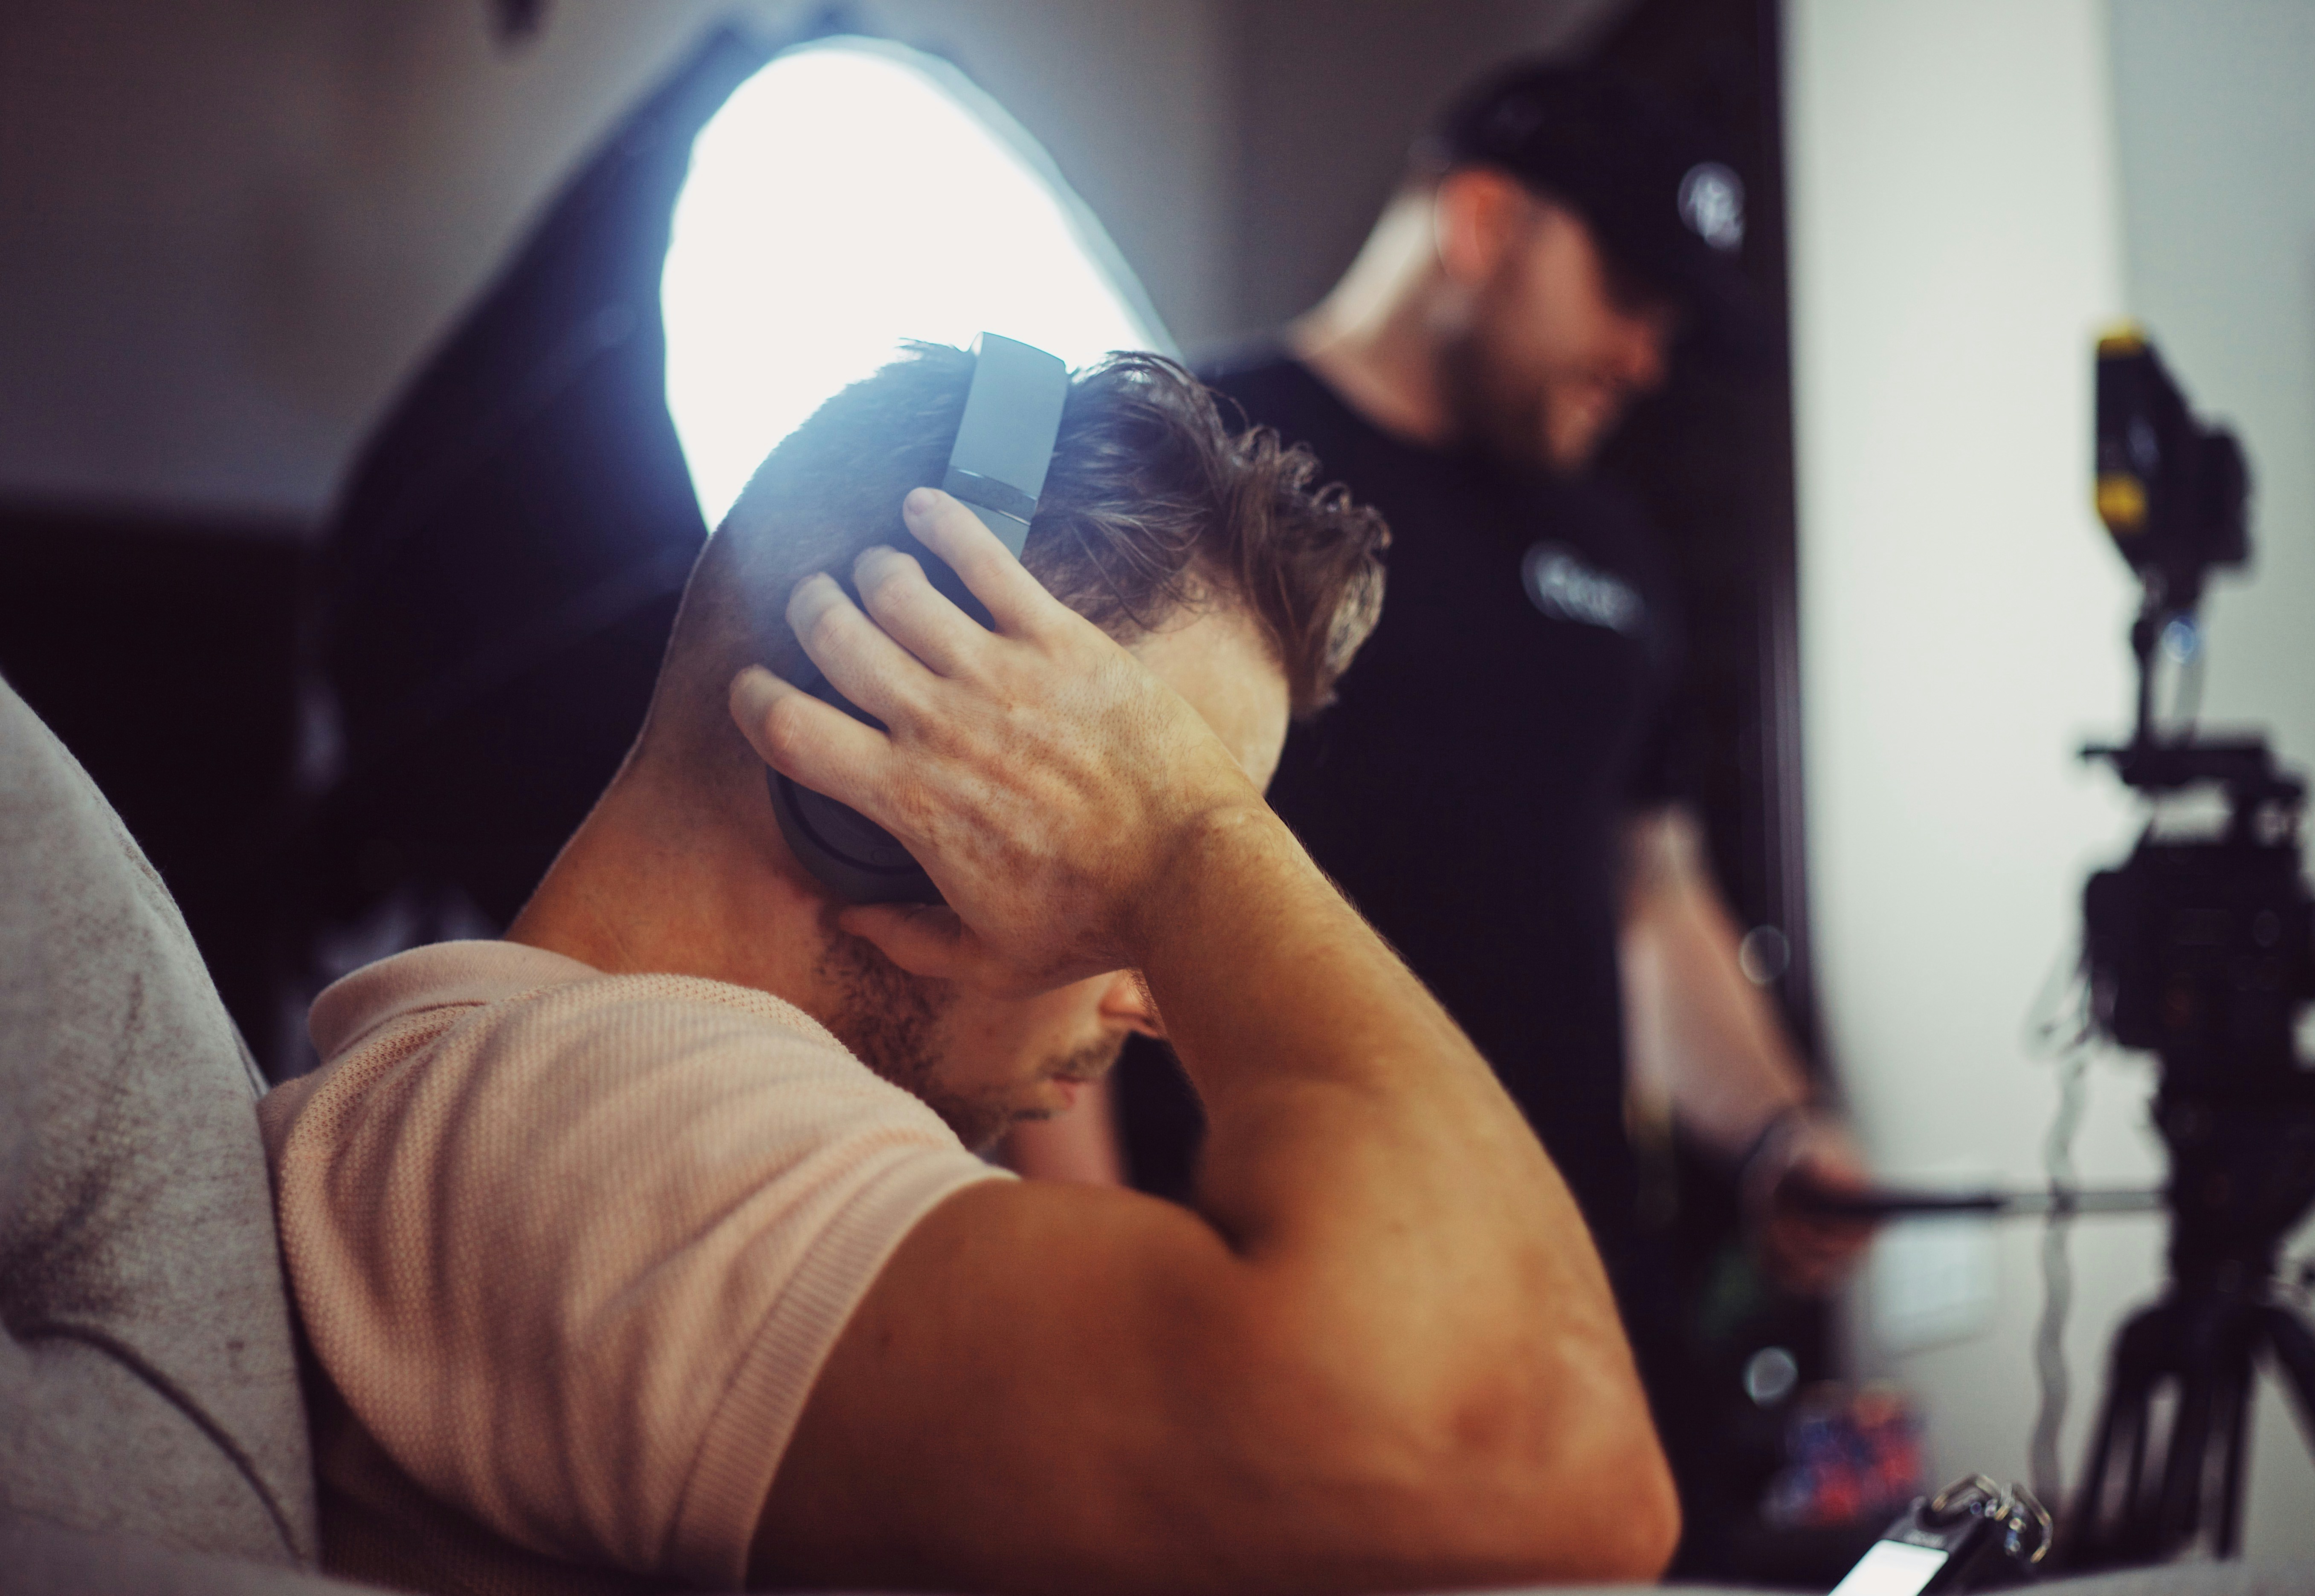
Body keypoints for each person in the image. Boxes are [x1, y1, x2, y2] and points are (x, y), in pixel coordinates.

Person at [260, 345, 1680, 1596]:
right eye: (1099, 848)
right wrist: (1185, 841)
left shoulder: (586, 1110)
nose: (1155, 996)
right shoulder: (570, 1118)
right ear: (864, 789)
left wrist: (1176, 831)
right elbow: (1534, 1443)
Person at [1003, 55, 1872, 1541]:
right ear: (1482, 222)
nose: (1648, 355)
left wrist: (1782, 1132)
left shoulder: (1620, 547)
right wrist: (1100, 1280)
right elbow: (1055, 874)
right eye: (1630, 294)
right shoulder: (1192, 454)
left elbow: (1651, 901)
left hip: (1580, 1307)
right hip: (1277, 1315)